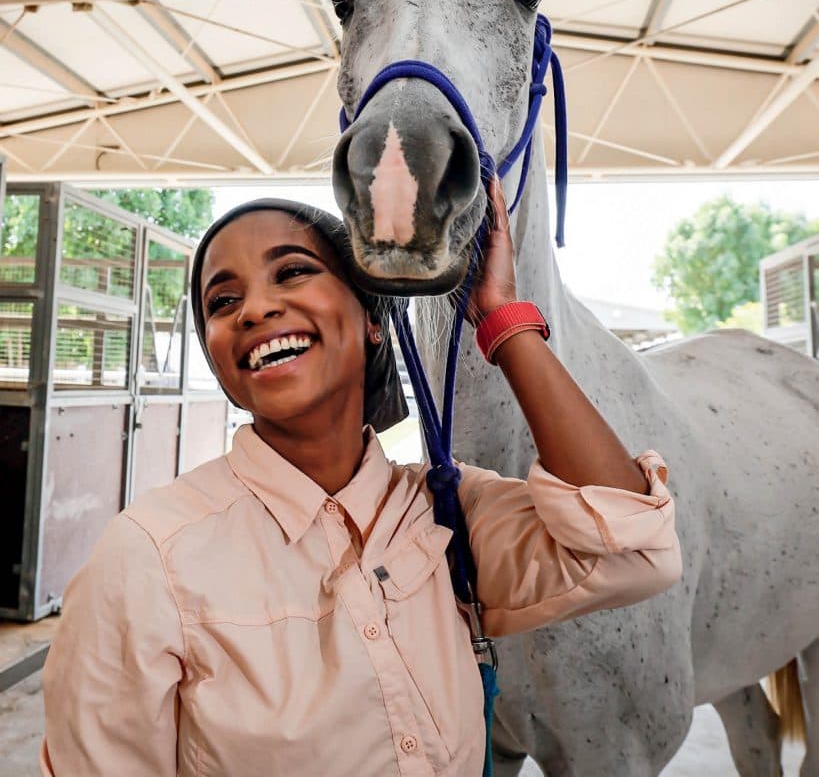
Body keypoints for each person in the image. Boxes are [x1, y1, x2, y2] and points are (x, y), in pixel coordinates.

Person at [39, 178, 681, 777]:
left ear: (374, 319)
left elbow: (634, 547)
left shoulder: (449, 512)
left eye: (292, 271)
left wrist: (503, 319)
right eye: (223, 301)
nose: (254, 309)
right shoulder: (148, 556)